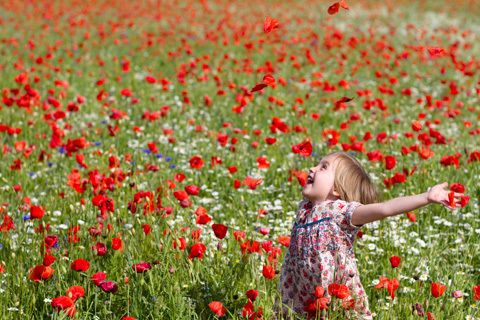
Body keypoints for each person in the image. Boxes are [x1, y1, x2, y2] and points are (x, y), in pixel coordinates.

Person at [276, 151, 464, 319]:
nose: (312, 168)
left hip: (334, 296)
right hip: (300, 293)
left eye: (323, 167)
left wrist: (426, 197)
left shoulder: (341, 212)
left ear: (336, 190)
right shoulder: (304, 209)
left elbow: (385, 208)